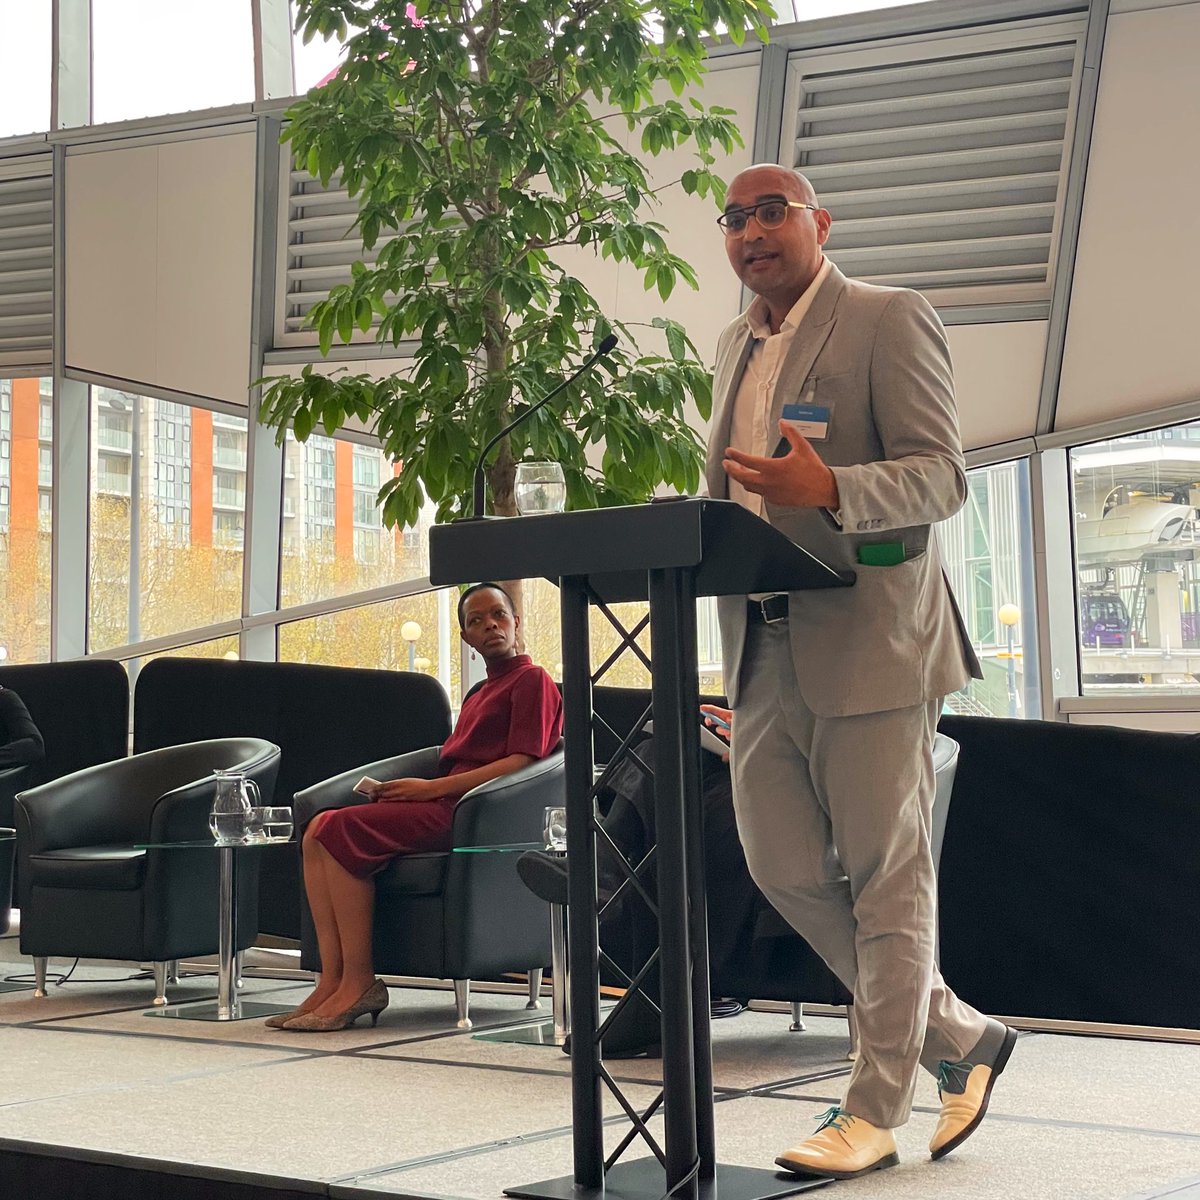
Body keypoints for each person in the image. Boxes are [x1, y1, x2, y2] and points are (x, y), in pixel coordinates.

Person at [708, 164, 1015, 1180]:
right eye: (735, 218)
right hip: (759, 640)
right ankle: (960, 1036)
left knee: (889, 878)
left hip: (873, 639)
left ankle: (873, 1108)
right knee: (781, 865)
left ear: (819, 223)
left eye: (772, 212)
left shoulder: (888, 317)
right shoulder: (733, 343)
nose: (752, 231)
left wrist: (832, 487)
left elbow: (941, 475)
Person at [271, 583, 563, 1033]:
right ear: (466, 637)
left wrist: (430, 789)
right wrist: (414, 790)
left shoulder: (533, 680)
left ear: (516, 621)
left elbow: (523, 761)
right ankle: (333, 980)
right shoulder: (479, 693)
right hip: (446, 802)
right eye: (476, 621)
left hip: (473, 814)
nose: (490, 625)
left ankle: (360, 981)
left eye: (498, 615)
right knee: (317, 828)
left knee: (337, 830)